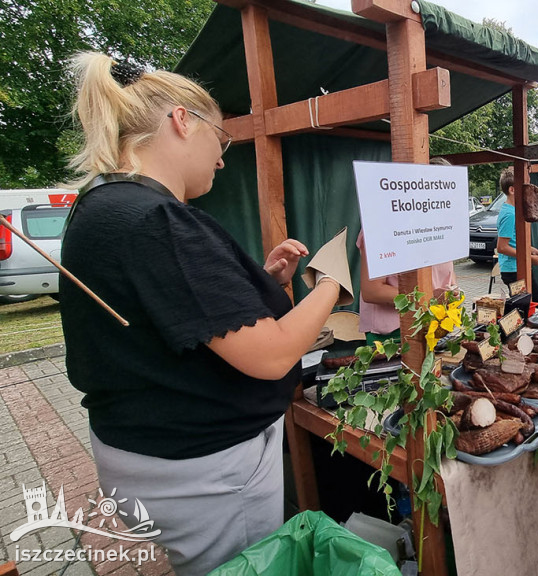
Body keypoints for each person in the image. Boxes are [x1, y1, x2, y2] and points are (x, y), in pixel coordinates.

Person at [59, 53, 350, 576]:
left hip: (142, 451)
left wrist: (265, 285)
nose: (221, 159)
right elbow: (275, 355)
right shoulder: (159, 219)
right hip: (203, 472)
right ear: (181, 120)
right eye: (222, 140)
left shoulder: (99, 205)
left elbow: (177, 319)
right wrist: (332, 284)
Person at [357, 158, 457, 345]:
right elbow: (372, 291)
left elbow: (449, 276)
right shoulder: (380, 226)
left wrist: (451, 293)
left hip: (434, 327)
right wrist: (428, 299)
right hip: (391, 334)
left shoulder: (441, 227)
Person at [496, 166, 538, 306]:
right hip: (513, 271)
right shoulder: (509, 214)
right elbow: (502, 247)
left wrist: (533, 250)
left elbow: (515, 242)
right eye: (523, 188)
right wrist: (529, 258)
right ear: (512, 190)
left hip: (518, 267)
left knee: (528, 308)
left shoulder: (513, 211)